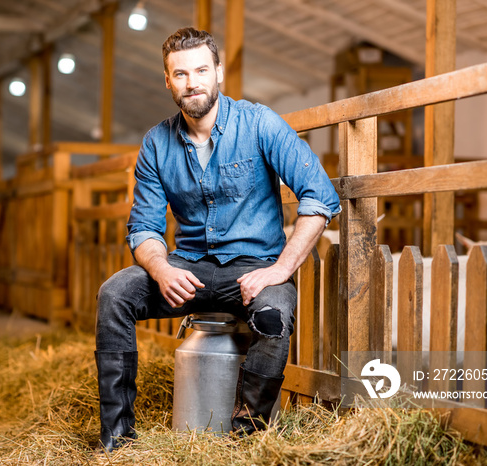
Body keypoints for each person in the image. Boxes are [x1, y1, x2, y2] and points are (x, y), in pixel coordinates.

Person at [94, 27, 341, 452]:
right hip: (187, 268)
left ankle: (245, 441)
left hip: (255, 268)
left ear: (219, 72)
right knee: (115, 294)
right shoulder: (156, 143)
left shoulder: (260, 123)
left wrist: (278, 271)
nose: (193, 82)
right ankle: (118, 439)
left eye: (201, 70)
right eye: (181, 74)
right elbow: (144, 228)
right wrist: (161, 269)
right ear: (167, 80)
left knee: (274, 315)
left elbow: (319, 198)